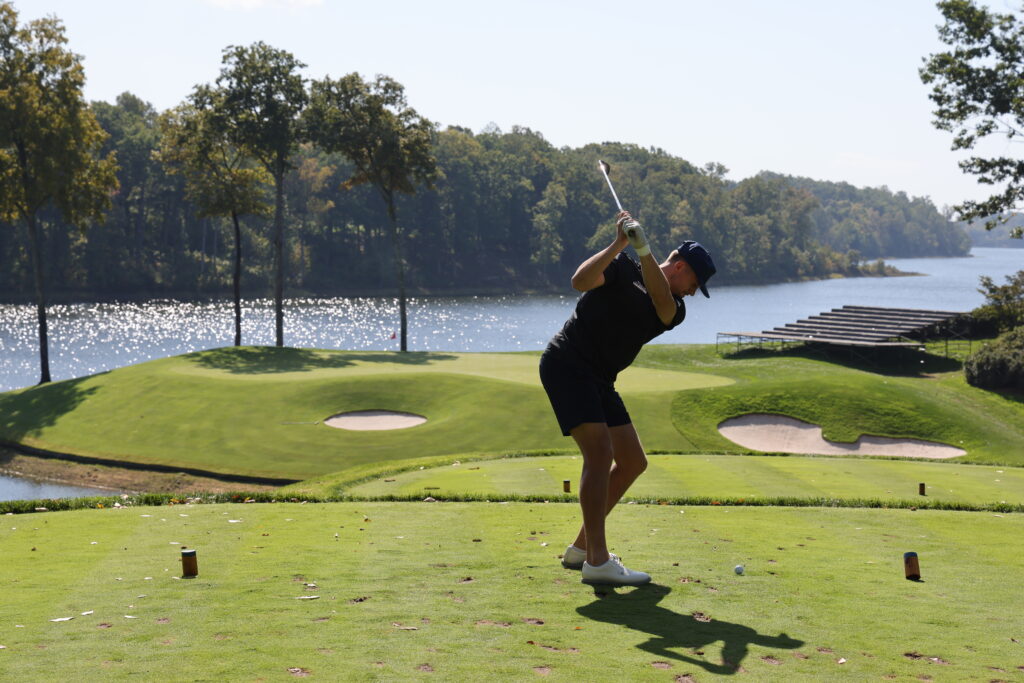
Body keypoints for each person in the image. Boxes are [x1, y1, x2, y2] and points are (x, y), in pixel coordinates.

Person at [539, 209, 716, 586]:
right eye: (694, 282)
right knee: (600, 454)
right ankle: (598, 562)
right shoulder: (620, 266)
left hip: (601, 379)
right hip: (568, 363)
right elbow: (579, 281)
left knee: (633, 461)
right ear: (681, 266)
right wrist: (620, 243)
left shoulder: (675, 307)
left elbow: (661, 302)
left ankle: (582, 549)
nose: (691, 293)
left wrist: (645, 250)